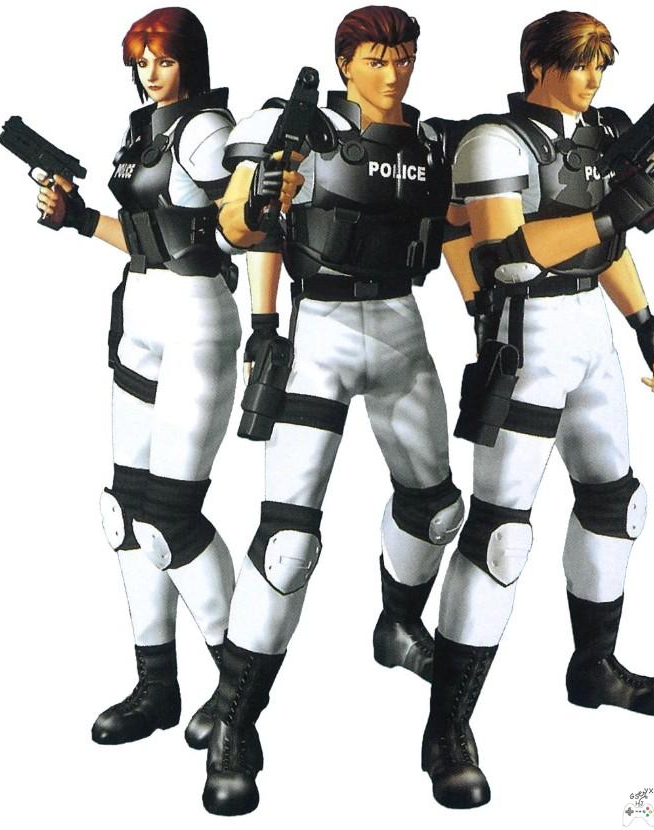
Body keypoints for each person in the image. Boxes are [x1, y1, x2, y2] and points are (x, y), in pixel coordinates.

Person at [200, 5, 466, 815]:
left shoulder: (433, 144)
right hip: (320, 331)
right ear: (346, 62)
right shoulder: (295, 127)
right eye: (378, 59)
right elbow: (235, 225)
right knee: (287, 542)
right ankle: (236, 722)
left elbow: (460, 231)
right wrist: (262, 204)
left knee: (436, 509)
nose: (395, 72)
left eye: (404, 57)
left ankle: (398, 624)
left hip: (400, 328)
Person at [422, 10, 654, 809]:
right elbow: (503, 257)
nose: (593, 77)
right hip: (526, 334)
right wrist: (609, 213)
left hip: (590, 332)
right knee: (500, 532)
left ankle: (594, 666)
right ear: (539, 65)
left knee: (615, 502)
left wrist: (644, 318)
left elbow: (609, 249)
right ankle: (447, 728)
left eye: (600, 63)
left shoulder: (599, 137)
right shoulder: (493, 142)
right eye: (579, 63)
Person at [33, 7, 239, 750]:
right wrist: (78, 217)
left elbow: (244, 227)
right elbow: (151, 235)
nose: (151, 72)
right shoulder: (143, 129)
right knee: (126, 510)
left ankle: (239, 687)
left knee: (169, 517)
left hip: (194, 318)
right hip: (142, 311)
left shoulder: (208, 133)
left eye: (164, 59)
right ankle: (157, 686)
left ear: (191, 61)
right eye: (141, 61)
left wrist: (270, 321)